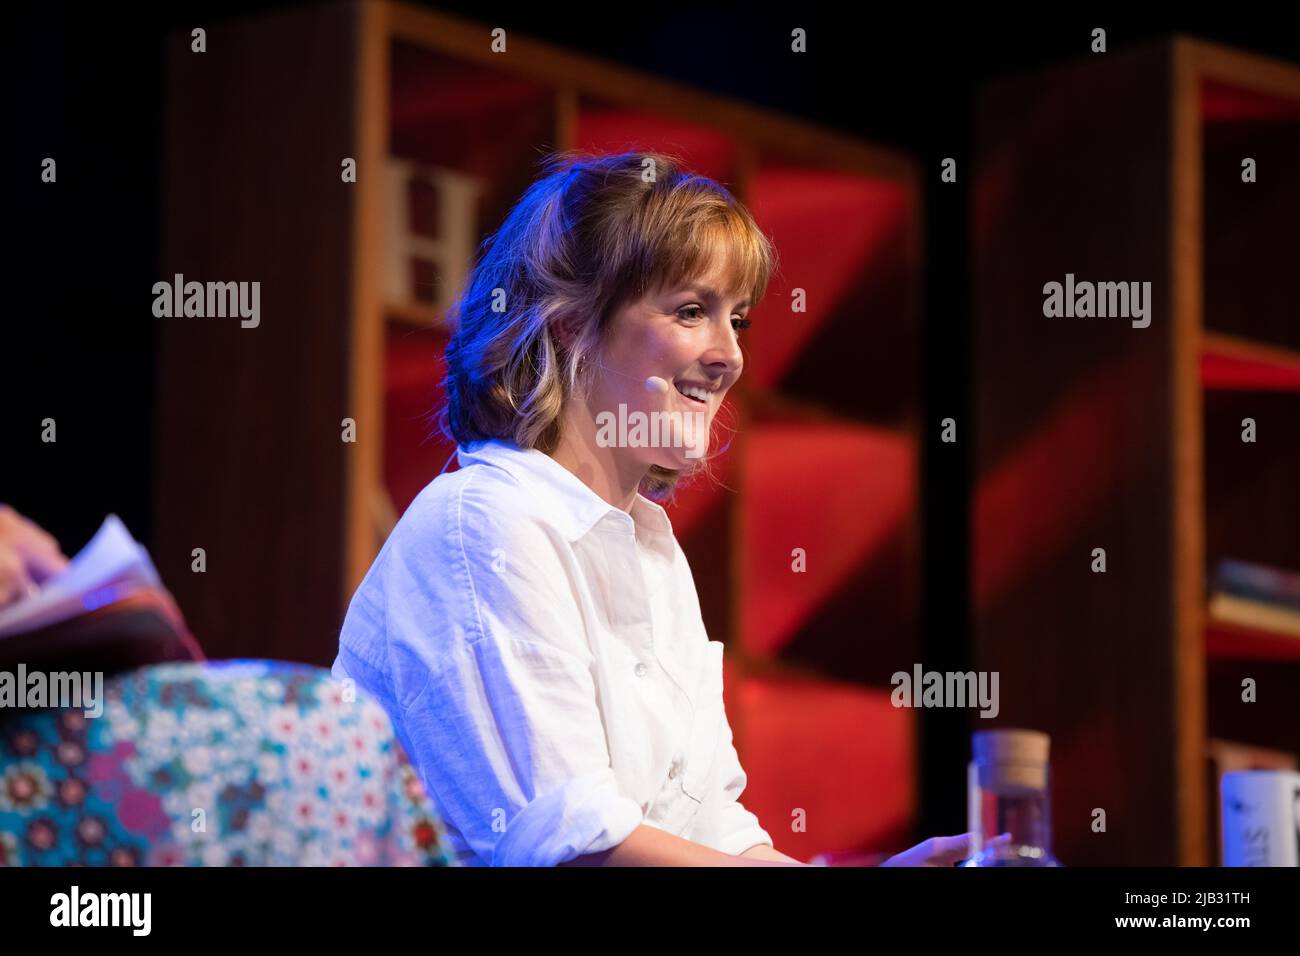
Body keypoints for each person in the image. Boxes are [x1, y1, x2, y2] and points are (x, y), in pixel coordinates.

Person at [332, 150, 973, 867]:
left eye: (740, 321)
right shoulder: (486, 522)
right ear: (572, 321)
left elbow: (712, 832)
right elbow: (574, 844)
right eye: (692, 311)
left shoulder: (652, 553)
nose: (729, 355)